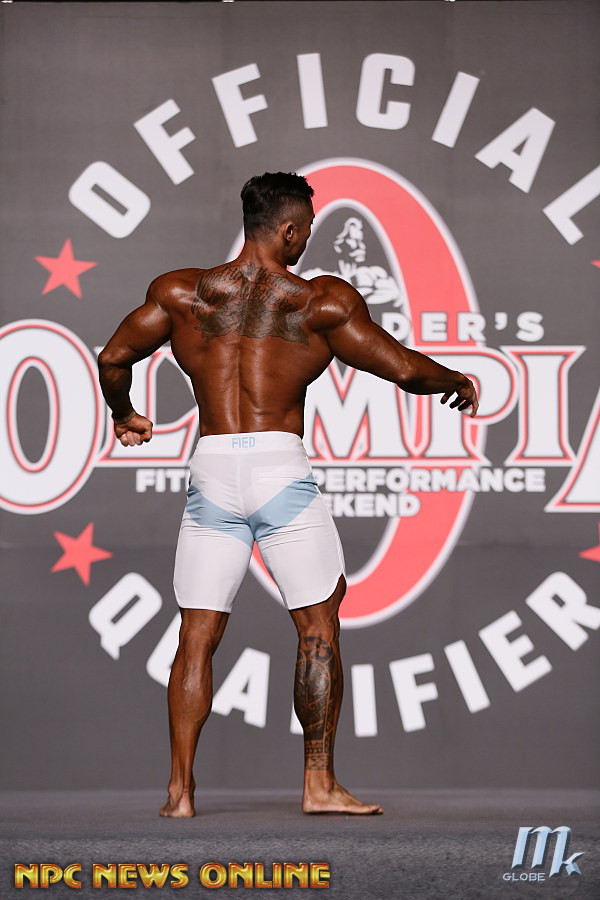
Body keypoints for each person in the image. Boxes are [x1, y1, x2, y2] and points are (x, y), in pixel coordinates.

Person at [98, 172, 478, 819]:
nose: (306, 243)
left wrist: (125, 413)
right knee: (318, 626)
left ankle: (180, 793)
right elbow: (403, 368)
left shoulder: (182, 294)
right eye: (306, 232)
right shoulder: (317, 303)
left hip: (212, 468)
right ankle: (319, 785)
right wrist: (457, 380)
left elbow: (113, 358)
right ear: (290, 230)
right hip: (279, 469)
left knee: (197, 634)